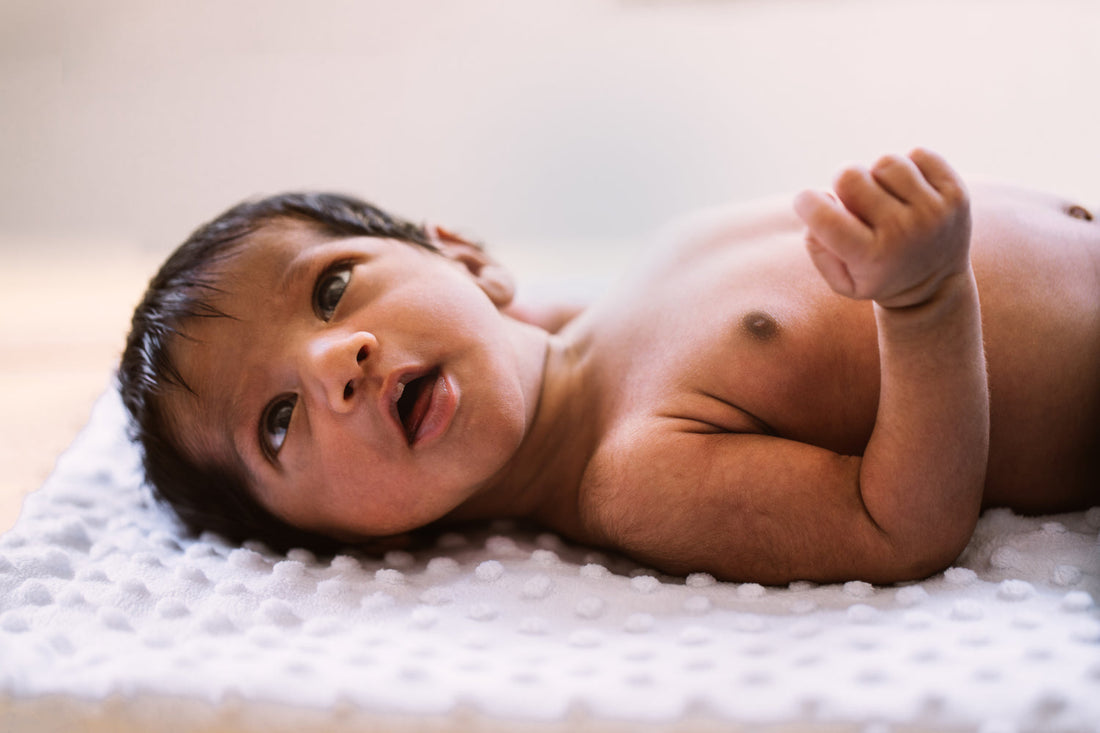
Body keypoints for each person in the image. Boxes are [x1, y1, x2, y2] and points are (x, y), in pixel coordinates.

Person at [119, 149, 1100, 584]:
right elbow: (898, 526)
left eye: (331, 289)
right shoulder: (631, 471)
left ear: (462, 255)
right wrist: (924, 302)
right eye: (277, 421)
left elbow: (513, 339)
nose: (336, 361)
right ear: (326, 536)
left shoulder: (592, 324)